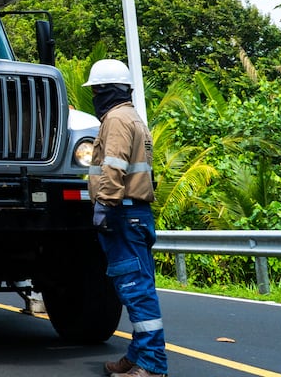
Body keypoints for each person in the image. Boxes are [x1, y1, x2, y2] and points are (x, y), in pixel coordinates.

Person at [85, 59, 168, 377]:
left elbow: (114, 165)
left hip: (124, 213)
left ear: (105, 90)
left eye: (96, 90)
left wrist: (104, 204)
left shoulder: (116, 119)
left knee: (135, 288)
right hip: (136, 213)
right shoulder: (132, 116)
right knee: (140, 286)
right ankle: (138, 355)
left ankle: (151, 363)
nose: (94, 97)